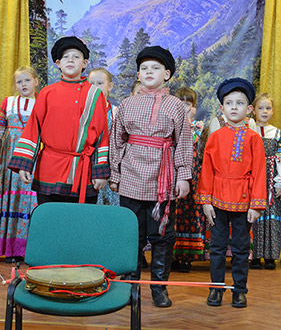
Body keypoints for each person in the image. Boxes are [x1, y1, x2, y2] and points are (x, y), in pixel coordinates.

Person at [110, 46, 192, 308]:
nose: (149, 72)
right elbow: (116, 141)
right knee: (130, 235)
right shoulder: (127, 104)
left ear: (166, 74)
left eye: (155, 68)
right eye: (144, 68)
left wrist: (183, 176)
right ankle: (130, 287)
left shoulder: (175, 106)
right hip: (131, 177)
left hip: (162, 179)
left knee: (162, 236)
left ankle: (159, 288)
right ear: (138, 74)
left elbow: (183, 142)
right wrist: (115, 173)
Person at [8, 36, 109, 205]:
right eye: (65, 57)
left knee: (81, 219)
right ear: (58, 63)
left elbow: (102, 135)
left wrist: (100, 171)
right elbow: (33, 129)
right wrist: (24, 163)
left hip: (82, 172)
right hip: (49, 169)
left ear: (85, 63)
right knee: (50, 218)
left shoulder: (94, 94)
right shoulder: (47, 93)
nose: (70, 60)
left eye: (76, 56)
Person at [196, 78, 266, 308]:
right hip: (217, 199)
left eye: (240, 103)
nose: (234, 107)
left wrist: (256, 205)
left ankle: (239, 290)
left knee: (240, 249)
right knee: (216, 248)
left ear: (249, 109)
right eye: (229, 103)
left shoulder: (254, 138)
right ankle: (216, 289)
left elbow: (259, 172)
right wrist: (206, 201)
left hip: (243, 201)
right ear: (222, 108)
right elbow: (207, 170)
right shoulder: (215, 137)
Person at [0, 66, 39, 262]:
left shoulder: (42, 103)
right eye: (19, 81)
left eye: (27, 80)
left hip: (32, 158)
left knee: (30, 199)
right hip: (9, 159)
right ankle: (10, 248)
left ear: (36, 81)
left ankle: (28, 249)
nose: (23, 84)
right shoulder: (8, 103)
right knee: (11, 198)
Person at [249, 93, 281, 270]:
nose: (264, 111)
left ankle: (270, 256)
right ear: (253, 110)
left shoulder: (278, 133)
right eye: (261, 108)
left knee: (272, 218)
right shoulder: (249, 130)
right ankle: (254, 255)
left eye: (268, 108)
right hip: (253, 178)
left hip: (271, 179)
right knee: (254, 217)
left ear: (272, 111)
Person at [172, 87, 205, 272]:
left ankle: (187, 257)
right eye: (181, 104)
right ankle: (172, 254)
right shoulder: (171, 124)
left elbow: (195, 144)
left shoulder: (198, 127)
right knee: (174, 215)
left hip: (194, 177)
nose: (184, 107)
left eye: (188, 104)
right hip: (175, 175)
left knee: (191, 215)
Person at [89, 68, 120, 206]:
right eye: (92, 84)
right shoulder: (83, 112)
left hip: (110, 166)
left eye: (100, 83)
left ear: (110, 86)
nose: (95, 87)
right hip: (88, 166)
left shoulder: (116, 112)